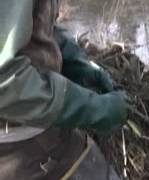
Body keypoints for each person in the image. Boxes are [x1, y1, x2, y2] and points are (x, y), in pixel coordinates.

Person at [0, 0, 128, 179]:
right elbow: (6, 82)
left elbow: (23, 24)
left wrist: (69, 56)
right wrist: (93, 109)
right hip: (15, 142)